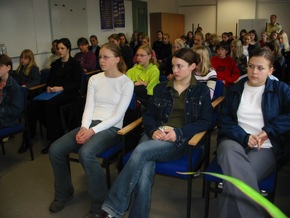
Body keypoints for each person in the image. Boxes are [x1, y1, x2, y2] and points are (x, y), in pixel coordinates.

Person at [100, 47, 213, 218]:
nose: (175, 70)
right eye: (173, 66)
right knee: (144, 169)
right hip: (154, 135)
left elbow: (206, 121)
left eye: (180, 66)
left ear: (193, 66)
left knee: (139, 151)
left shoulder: (201, 91)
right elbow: (149, 116)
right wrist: (153, 131)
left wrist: (179, 133)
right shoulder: (161, 89)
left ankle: (112, 209)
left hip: (178, 140)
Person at [48, 43, 134, 217]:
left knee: (86, 153)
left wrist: (92, 131)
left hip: (111, 128)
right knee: (55, 150)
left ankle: (99, 205)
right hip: (90, 125)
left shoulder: (126, 82)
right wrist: (84, 127)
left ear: (117, 59)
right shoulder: (94, 79)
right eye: (100, 57)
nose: (101, 60)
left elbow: (117, 116)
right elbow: (88, 107)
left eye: (106, 57)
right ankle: (64, 192)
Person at [216, 47, 290, 218]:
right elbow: (224, 119)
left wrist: (268, 131)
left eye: (260, 68)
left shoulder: (281, 90)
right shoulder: (235, 89)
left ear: (271, 70)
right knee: (228, 151)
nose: (254, 71)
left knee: (235, 183)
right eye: (250, 66)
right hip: (234, 141)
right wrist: (244, 136)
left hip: (264, 146)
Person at [26, 38, 83, 154]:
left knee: (49, 105)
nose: (60, 51)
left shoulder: (75, 64)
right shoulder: (56, 64)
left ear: (68, 49)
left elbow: (76, 83)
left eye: (62, 48)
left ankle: (54, 138)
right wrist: (48, 87)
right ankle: (28, 137)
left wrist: (61, 88)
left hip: (69, 93)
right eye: (58, 49)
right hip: (54, 92)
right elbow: (50, 80)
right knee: (33, 104)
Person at [0, 54, 23, 129]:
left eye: (0, 66)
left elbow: (16, 111)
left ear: (8, 67)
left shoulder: (14, 87)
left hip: (7, 120)